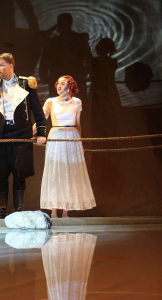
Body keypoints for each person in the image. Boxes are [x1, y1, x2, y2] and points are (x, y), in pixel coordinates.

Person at [0, 53, 47, 218]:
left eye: (1, 65)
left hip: (21, 134)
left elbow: (37, 111)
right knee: (0, 174)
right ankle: (1, 211)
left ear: (10, 66)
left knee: (19, 174)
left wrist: (41, 133)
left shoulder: (26, 84)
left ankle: (18, 212)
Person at [38, 75, 96, 218]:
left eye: (63, 83)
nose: (58, 86)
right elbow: (41, 121)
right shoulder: (50, 101)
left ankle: (65, 211)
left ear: (70, 86)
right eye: (58, 83)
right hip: (56, 136)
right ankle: (53, 211)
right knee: (55, 173)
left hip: (72, 138)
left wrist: (80, 143)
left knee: (69, 174)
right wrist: (30, 132)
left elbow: (78, 124)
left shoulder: (77, 102)